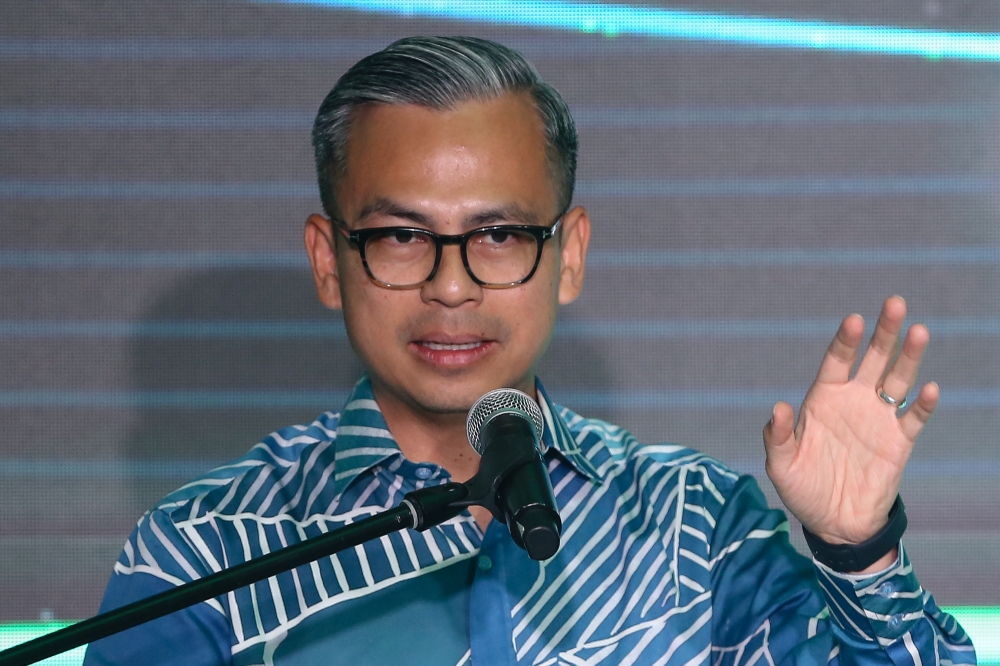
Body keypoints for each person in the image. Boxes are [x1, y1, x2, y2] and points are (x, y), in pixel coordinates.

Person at [84, 36, 976, 666]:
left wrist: (859, 555)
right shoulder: (203, 551)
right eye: (400, 237)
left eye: (500, 235)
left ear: (570, 253)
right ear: (329, 259)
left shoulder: (694, 525)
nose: (452, 285)